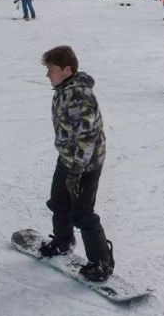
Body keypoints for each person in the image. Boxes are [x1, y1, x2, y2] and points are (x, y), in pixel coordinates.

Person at [37, 45, 114, 282]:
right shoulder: (63, 89)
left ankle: (102, 263)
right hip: (68, 157)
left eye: (51, 69)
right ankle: (63, 240)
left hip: (85, 164)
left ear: (67, 70)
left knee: (82, 211)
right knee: (59, 201)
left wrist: (76, 171)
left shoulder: (79, 95)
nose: (47, 74)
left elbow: (88, 137)